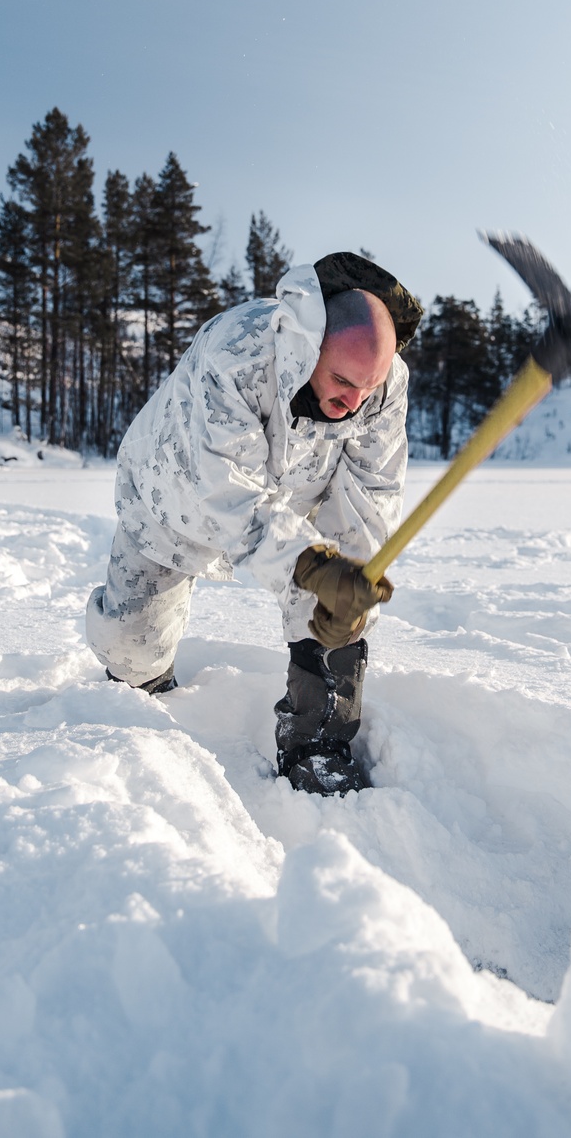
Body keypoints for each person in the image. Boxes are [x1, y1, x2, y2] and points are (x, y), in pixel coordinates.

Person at [85, 252, 422, 796]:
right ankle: (139, 686)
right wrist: (309, 565)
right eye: (340, 379)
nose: (354, 402)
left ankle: (317, 740)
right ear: (309, 347)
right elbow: (227, 489)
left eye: (368, 386)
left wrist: (345, 583)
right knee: (132, 650)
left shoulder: (381, 389)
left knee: (337, 596)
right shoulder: (237, 350)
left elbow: (369, 494)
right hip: (176, 493)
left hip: (298, 491)